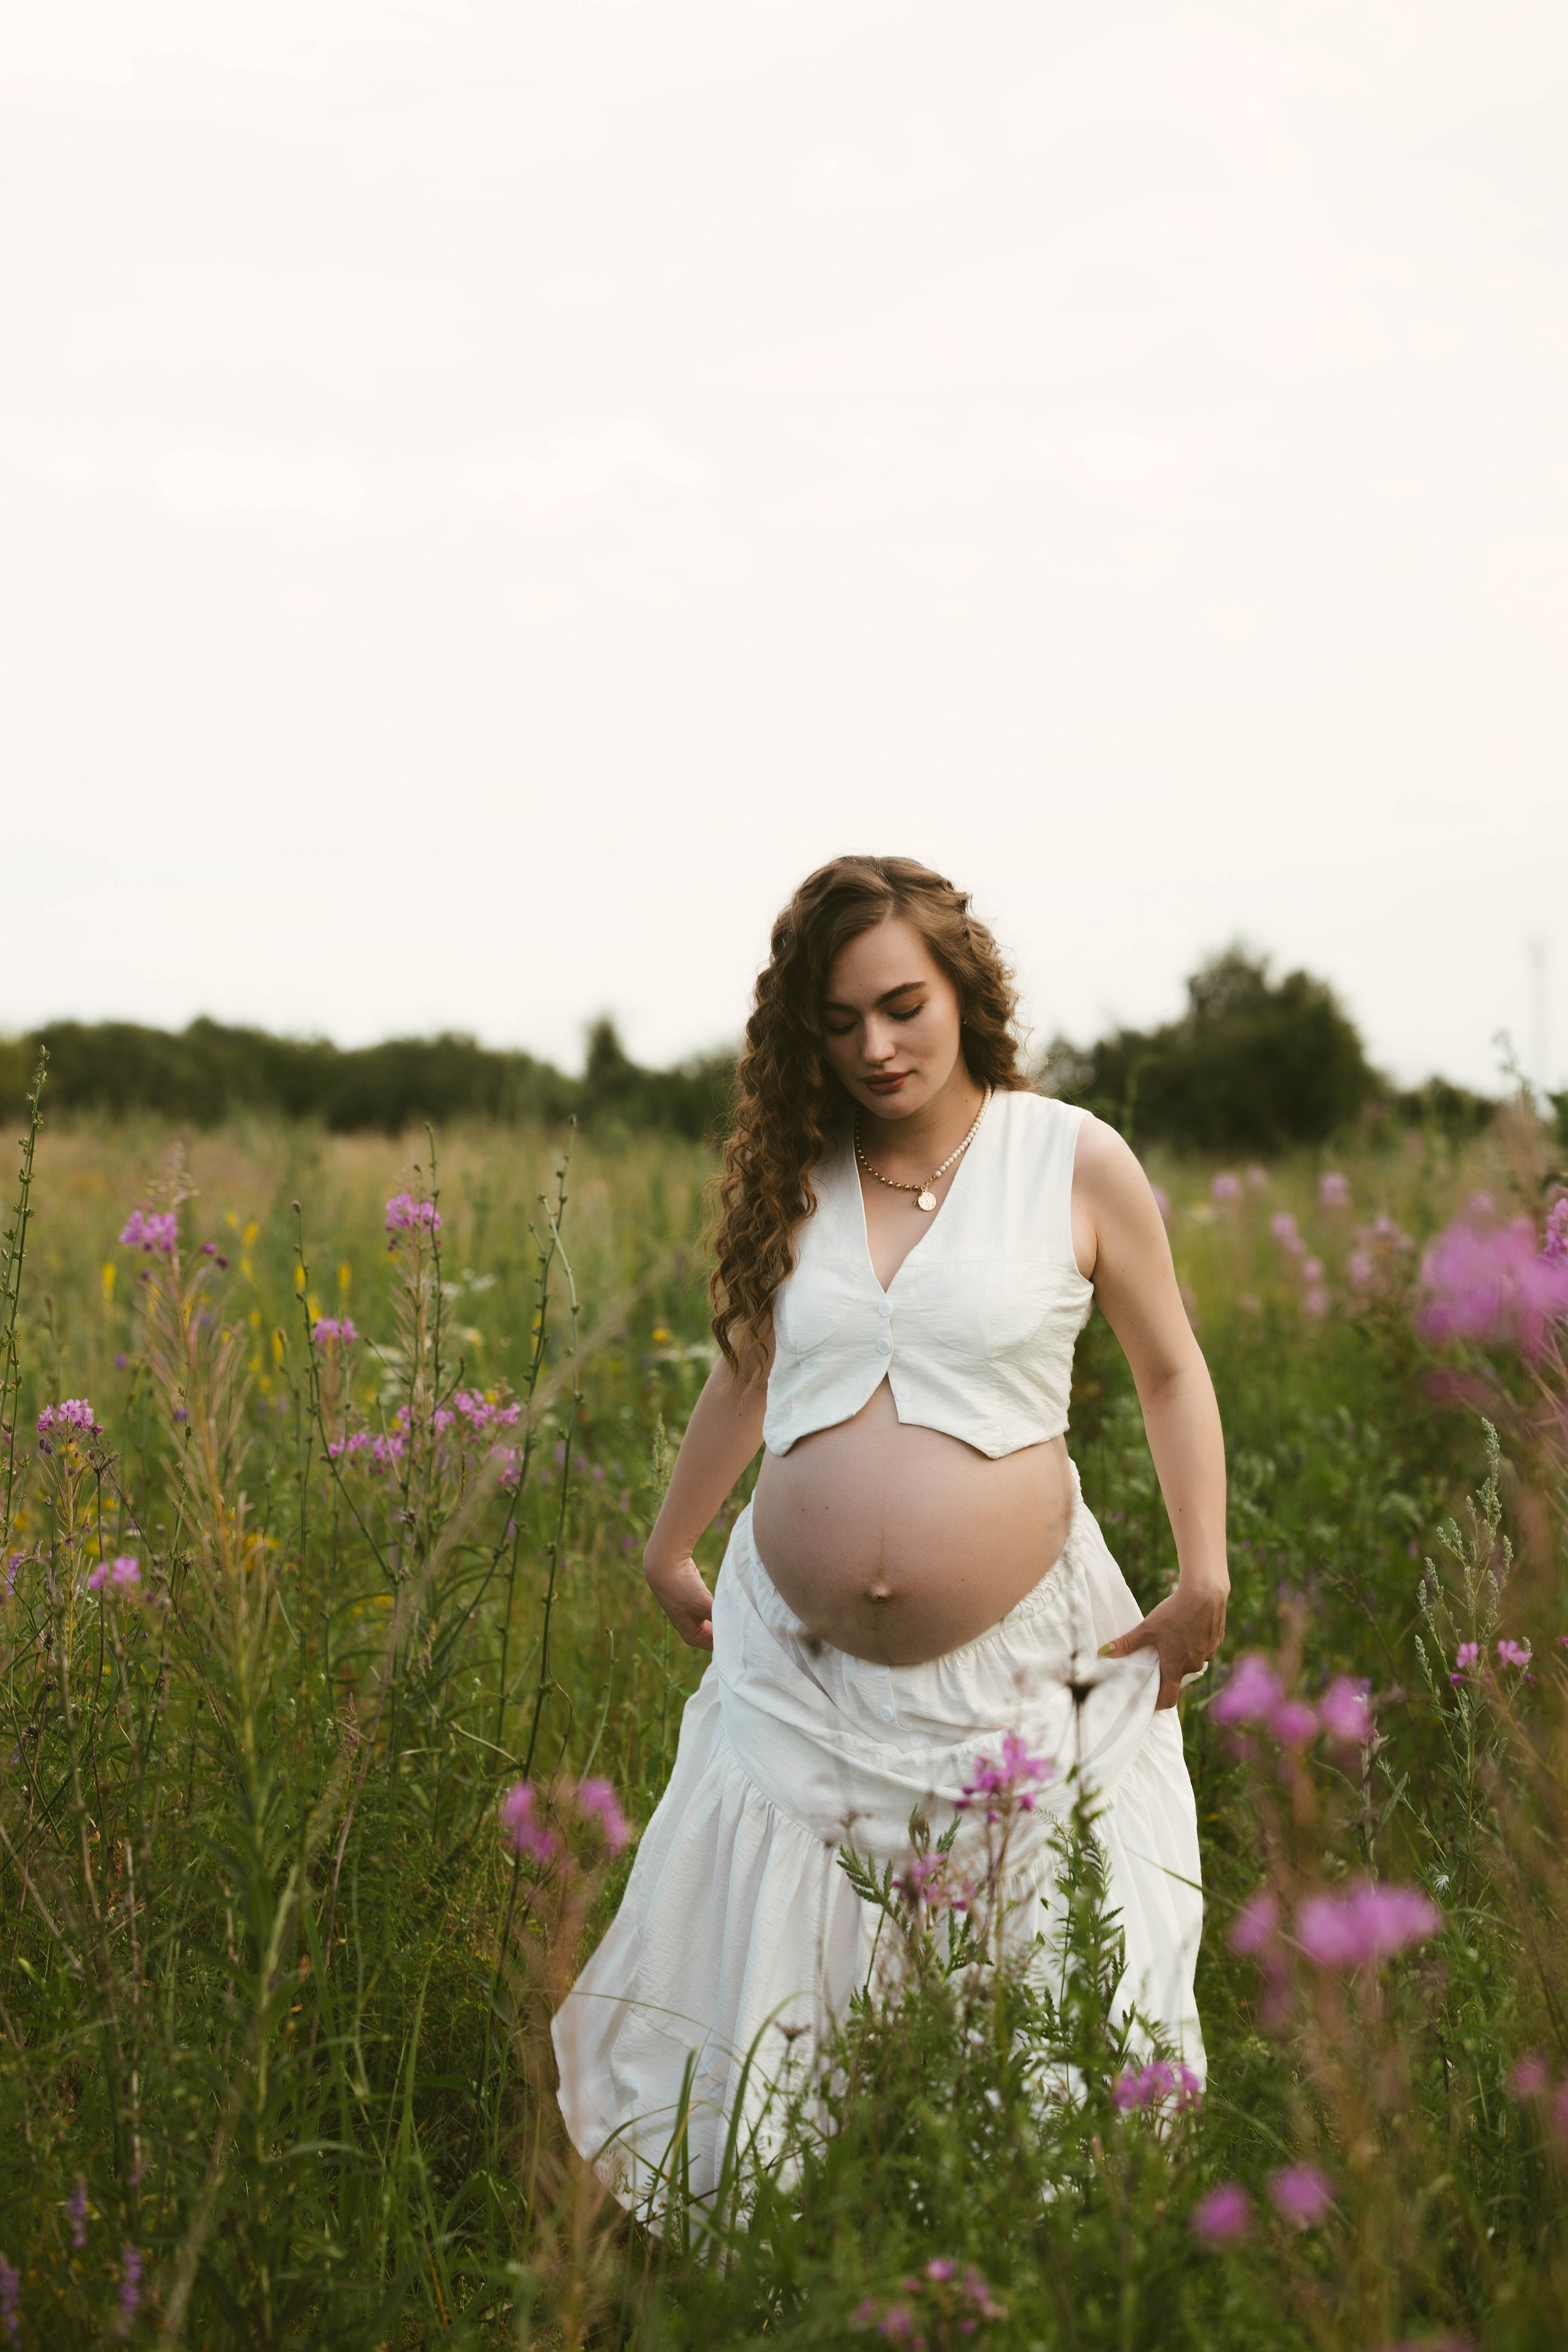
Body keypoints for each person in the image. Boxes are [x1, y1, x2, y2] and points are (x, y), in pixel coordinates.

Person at [552, 854, 1228, 2211]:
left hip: (1018, 1661)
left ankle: (996, 2251)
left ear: (965, 992)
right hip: (794, 1672)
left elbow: (1167, 1368)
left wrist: (1201, 1569)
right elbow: (747, 1370)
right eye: (837, 1019)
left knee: (1022, 1962)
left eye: (903, 1006)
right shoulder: (797, 1174)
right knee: (779, 1985)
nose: (873, 1045)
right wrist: (667, 1541)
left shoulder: (1069, 1157)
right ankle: (791, 2232)